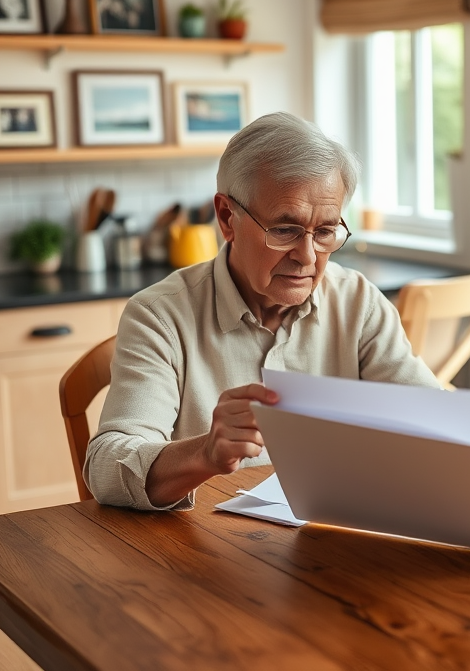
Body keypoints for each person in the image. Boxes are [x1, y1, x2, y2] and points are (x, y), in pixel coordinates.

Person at [85, 112, 440, 510]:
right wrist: (204, 453)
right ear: (227, 218)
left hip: (330, 544)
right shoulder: (160, 316)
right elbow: (107, 467)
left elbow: (434, 420)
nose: (307, 257)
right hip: (202, 555)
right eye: (284, 231)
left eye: (325, 232)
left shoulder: (358, 301)